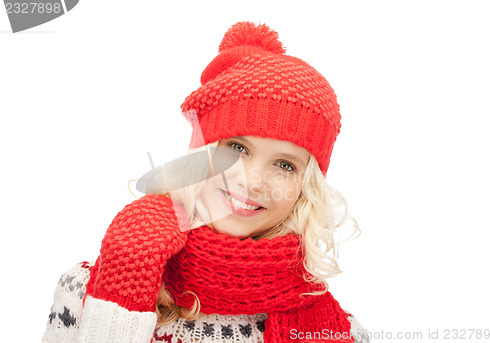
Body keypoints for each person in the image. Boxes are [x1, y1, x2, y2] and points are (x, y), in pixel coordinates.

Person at [41, 21, 371, 343]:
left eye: (284, 165)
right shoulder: (85, 291)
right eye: (237, 148)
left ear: (305, 187)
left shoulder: (339, 333)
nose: (253, 181)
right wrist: (124, 280)